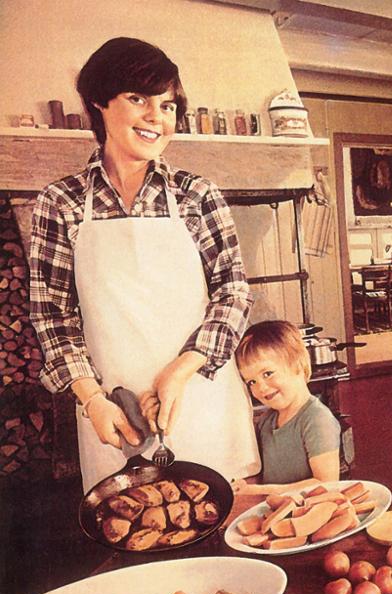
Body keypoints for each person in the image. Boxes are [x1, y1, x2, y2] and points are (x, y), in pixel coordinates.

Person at [29, 37, 260, 492]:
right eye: (138, 99)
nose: (157, 116)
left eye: (168, 105)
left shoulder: (197, 195)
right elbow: (53, 315)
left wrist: (181, 369)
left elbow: (233, 293)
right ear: (99, 102)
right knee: (132, 522)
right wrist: (92, 400)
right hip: (115, 416)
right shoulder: (61, 202)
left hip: (202, 398)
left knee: (225, 519)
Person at [232, 321, 343, 495]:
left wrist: (259, 490)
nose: (261, 388)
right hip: (277, 508)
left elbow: (326, 484)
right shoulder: (266, 421)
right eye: (251, 382)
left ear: (298, 364)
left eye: (267, 374)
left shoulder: (317, 420)